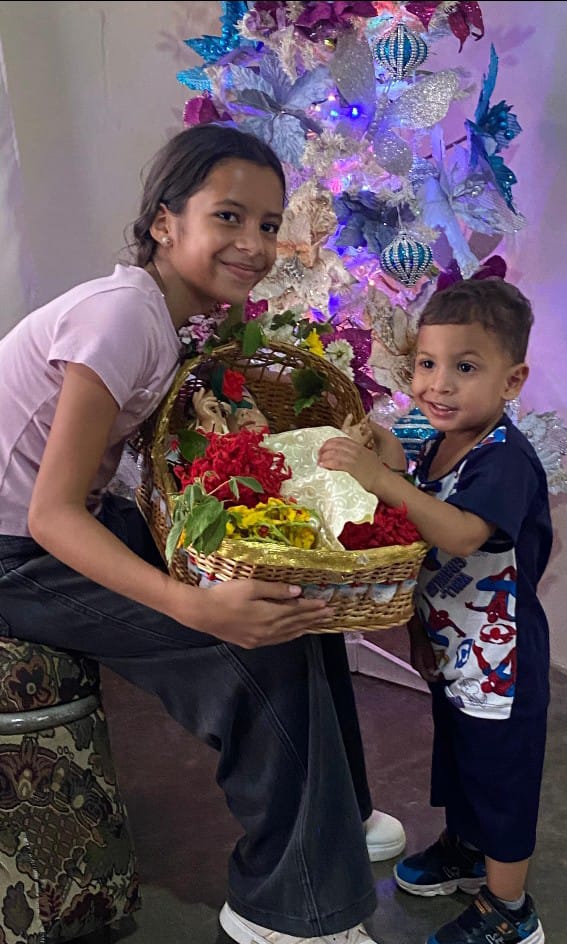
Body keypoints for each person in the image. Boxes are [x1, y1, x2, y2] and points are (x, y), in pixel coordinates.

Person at [0, 123, 405, 944]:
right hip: (19, 552)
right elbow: (50, 513)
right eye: (228, 216)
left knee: (290, 591)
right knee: (254, 640)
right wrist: (191, 605)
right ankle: (284, 911)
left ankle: (334, 823)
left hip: (61, 522)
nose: (253, 243)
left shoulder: (165, 316)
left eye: (268, 223)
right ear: (164, 221)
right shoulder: (122, 317)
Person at [319, 278, 552, 944]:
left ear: (512, 381)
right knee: (460, 759)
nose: (438, 385)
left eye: (465, 368)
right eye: (426, 364)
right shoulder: (438, 446)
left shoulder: (504, 459)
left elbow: (461, 533)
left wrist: (379, 478)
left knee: (500, 777)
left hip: (501, 662)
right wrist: (385, 452)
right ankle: (466, 848)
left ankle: (510, 910)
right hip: (452, 650)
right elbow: (418, 517)